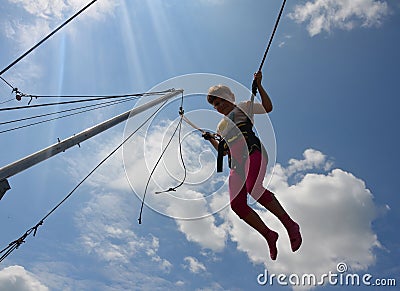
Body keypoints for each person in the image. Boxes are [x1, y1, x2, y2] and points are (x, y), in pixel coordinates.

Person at [204, 71, 302, 260]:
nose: (219, 106)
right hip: (235, 163)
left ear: (231, 97)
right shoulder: (220, 127)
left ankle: (290, 224)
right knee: (237, 205)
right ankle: (269, 235)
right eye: (215, 104)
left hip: (251, 150)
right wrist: (210, 140)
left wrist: (260, 85)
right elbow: (223, 152)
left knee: (253, 188)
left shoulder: (244, 106)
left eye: (221, 101)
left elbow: (268, 107)